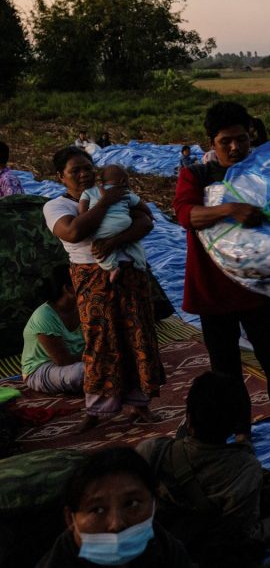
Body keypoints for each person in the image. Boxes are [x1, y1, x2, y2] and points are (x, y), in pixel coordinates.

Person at [173, 101, 270, 454]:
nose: (235, 147)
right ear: (211, 142)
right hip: (213, 289)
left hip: (256, 287)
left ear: (251, 137)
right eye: (226, 142)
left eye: (242, 140)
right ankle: (240, 432)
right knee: (226, 370)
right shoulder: (196, 175)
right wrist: (230, 210)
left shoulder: (265, 174)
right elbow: (186, 214)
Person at [44, 147, 163, 432]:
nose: (84, 174)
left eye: (88, 168)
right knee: (99, 340)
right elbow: (73, 232)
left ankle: (140, 403)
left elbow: (145, 220)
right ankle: (96, 409)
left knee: (137, 334)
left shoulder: (112, 192)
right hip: (91, 277)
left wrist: (113, 241)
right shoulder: (56, 206)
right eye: (75, 171)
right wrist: (106, 203)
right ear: (61, 176)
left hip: (129, 272)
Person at [137, 371, 270, 565]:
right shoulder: (246, 469)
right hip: (198, 550)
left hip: (150, 545)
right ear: (236, 425)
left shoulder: (152, 450)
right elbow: (244, 537)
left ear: (189, 418)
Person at [37, 447, 192, 568]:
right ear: (70, 519)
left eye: (131, 504)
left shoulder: (163, 546)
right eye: (97, 510)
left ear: (154, 504)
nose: (116, 524)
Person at [78, 164, 149, 283]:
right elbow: (141, 205)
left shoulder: (89, 192)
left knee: (98, 245)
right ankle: (140, 264)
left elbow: (82, 211)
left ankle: (111, 267)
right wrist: (149, 213)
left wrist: (84, 215)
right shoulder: (125, 192)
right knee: (132, 243)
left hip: (106, 226)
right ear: (123, 181)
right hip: (125, 222)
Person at [21, 265, 85, 395]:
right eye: (83, 282)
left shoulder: (85, 308)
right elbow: (63, 361)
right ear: (68, 289)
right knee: (85, 372)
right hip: (42, 369)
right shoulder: (44, 315)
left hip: (80, 361)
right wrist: (97, 357)